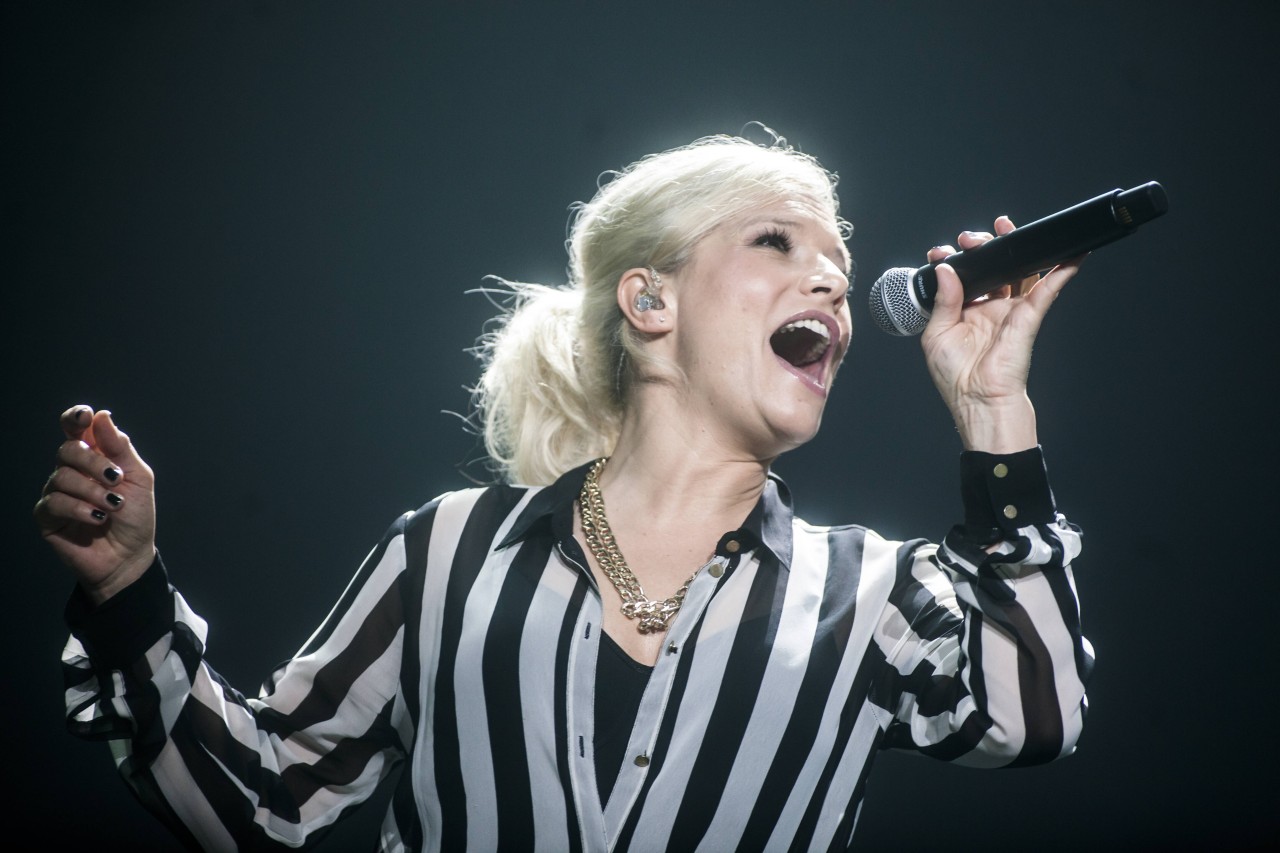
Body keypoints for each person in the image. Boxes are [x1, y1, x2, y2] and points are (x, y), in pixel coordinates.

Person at [36, 133, 1093, 851]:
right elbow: (257, 803)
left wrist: (992, 405)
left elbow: (1029, 717)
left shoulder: (869, 590)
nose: (829, 281)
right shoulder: (446, 555)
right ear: (648, 299)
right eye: (776, 242)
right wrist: (129, 590)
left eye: (836, 260)